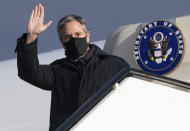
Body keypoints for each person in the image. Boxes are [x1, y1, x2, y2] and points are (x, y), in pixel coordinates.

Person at [15, 3, 129, 131]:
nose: (74, 40)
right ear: (61, 42)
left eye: (78, 34)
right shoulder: (58, 70)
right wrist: (32, 37)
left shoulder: (114, 65)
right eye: (68, 37)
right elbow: (29, 72)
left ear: (87, 35)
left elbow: (130, 102)